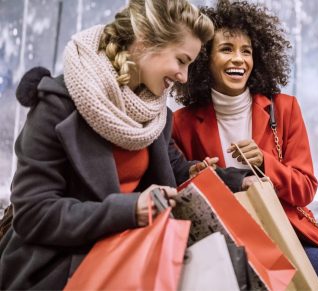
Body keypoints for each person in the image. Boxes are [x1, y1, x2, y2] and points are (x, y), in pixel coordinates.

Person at [0, 0, 216, 289]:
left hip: (127, 255)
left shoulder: (154, 115)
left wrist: (236, 177)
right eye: (181, 60)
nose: (184, 77)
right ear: (144, 44)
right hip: (58, 266)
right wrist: (128, 210)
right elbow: (33, 213)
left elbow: (175, 171)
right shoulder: (58, 105)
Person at [172, 1, 318, 290]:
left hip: (287, 235)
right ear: (205, 57)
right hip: (224, 246)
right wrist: (199, 174)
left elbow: (306, 187)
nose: (239, 59)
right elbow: (180, 189)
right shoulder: (181, 122)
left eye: (247, 51)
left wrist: (264, 163)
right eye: (226, 49)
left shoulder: (284, 108)